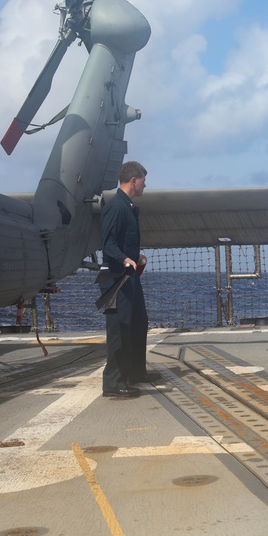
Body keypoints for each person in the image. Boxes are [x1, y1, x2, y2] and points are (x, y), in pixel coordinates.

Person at [99, 161, 150, 398]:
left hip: (129, 277)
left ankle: (136, 372)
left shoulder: (127, 206)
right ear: (133, 181)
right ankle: (113, 383)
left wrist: (135, 257)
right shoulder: (116, 206)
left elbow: (122, 241)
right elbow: (107, 243)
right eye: (142, 180)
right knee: (119, 328)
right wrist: (124, 259)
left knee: (139, 321)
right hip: (116, 278)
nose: (144, 185)